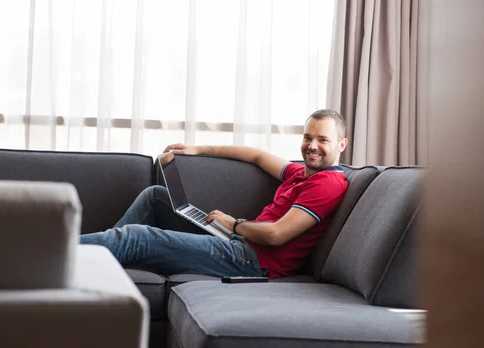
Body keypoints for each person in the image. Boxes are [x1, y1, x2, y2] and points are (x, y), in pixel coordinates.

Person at [80, 109, 349, 279]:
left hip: (252, 261)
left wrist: (233, 224)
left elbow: (276, 234)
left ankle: (53, 253)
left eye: (322, 140)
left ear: (341, 144)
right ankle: (103, 255)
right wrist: (196, 149)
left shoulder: (327, 183)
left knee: (136, 237)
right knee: (156, 196)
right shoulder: (300, 173)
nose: (312, 146)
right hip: (240, 243)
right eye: (307, 137)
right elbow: (255, 155)